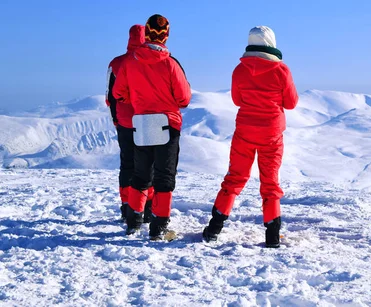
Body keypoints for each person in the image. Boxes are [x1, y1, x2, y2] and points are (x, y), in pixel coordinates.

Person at [202, 26, 298, 248]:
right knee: (270, 182)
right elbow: (291, 103)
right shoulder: (281, 70)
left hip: (244, 131)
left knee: (235, 177)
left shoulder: (239, 70)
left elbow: (237, 100)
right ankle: (272, 236)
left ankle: (214, 229)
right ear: (271, 43)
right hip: (271, 133)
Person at [113, 14, 191, 240]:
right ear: (166, 36)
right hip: (167, 123)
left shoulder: (130, 63)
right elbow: (184, 99)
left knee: (140, 174)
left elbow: (118, 93)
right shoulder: (170, 64)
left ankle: (133, 221)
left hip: (142, 123)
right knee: (164, 177)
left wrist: (136, 97)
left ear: (147, 33)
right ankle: (159, 226)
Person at [105, 25, 154, 223]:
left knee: (127, 165)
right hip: (148, 120)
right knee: (148, 165)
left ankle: (127, 207)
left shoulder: (116, 63)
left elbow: (110, 96)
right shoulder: (152, 61)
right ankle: (148, 207)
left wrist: (115, 119)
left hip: (124, 121)